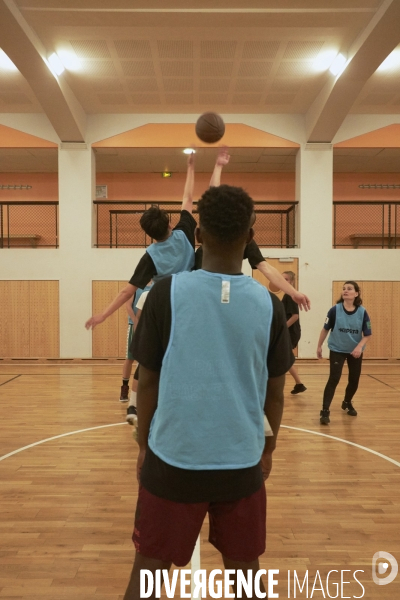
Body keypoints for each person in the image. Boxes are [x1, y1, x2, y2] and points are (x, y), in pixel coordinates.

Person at [122, 184, 294, 600]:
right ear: (250, 238)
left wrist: (145, 444)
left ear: (197, 238)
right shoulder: (270, 306)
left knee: (148, 574)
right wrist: (268, 450)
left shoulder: (165, 293)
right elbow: (275, 393)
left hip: (173, 460)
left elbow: (148, 381)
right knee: (245, 576)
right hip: (241, 461)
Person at [85, 152, 196, 331]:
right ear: (170, 223)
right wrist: (190, 167)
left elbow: (127, 292)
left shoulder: (150, 256)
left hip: (166, 307)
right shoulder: (184, 233)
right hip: (192, 300)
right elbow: (188, 199)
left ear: (149, 234)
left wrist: (103, 315)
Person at [195, 147, 311, 312]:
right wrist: (218, 166)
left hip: (224, 285)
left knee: (221, 311)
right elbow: (213, 194)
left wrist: (292, 292)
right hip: (201, 280)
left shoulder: (244, 241)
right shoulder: (216, 227)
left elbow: (266, 268)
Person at [317, 281, 372, 425]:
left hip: (355, 351)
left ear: (356, 293)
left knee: (354, 380)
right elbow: (325, 329)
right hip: (337, 349)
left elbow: (367, 334)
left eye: (349, 289)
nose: (345, 291)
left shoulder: (362, 312)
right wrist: (319, 346)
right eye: (344, 289)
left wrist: (359, 347)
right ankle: (325, 410)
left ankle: (347, 402)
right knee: (334, 378)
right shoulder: (334, 310)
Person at [120, 285, 152, 403]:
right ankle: (124, 387)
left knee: (144, 361)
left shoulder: (156, 287)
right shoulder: (136, 287)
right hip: (135, 325)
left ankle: (142, 391)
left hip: (149, 328)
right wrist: (135, 322)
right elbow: (128, 306)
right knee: (130, 358)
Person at [125, 287, 150, 424]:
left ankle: (134, 405)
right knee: (140, 367)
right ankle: (132, 405)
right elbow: (138, 316)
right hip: (149, 337)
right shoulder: (145, 294)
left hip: (164, 338)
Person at [281, 271, 307, 395]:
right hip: (289, 331)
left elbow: (295, 316)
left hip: (291, 332)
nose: (283, 281)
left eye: (286, 279)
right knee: (285, 357)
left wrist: (282, 328)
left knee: (286, 357)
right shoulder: (287, 295)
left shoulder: (290, 296)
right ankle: (299, 384)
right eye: (281, 279)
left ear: (291, 282)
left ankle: (299, 383)